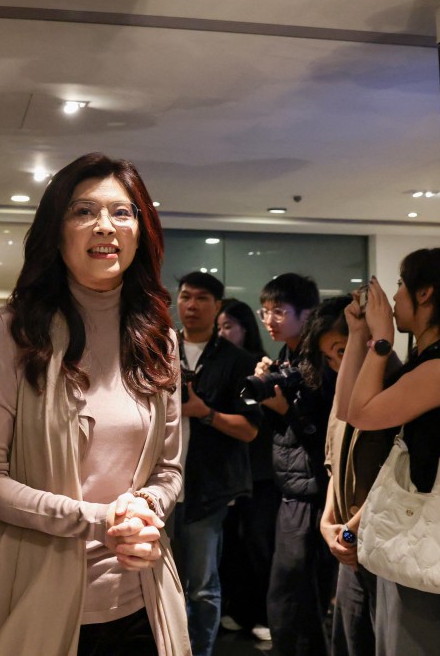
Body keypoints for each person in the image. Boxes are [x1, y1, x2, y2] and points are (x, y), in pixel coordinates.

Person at [0, 152, 190, 656]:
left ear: (140, 230)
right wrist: (95, 517)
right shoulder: (12, 332)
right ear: (56, 231)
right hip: (37, 597)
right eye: (83, 211)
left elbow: (170, 470)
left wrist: (145, 510)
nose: (105, 226)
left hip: (141, 600)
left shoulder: (159, 339)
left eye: (122, 212)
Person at [342, 248, 440, 656]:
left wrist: (381, 340)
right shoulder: (425, 360)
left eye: (399, 286)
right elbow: (346, 409)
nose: (392, 299)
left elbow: (360, 415)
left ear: (425, 294)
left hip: (423, 532)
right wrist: (361, 336)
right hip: (405, 527)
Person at [173, 275, 261, 656]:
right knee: (157, 580)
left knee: (203, 585)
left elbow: (249, 431)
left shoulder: (238, 361)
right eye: (185, 296)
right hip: (154, 484)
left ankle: (200, 651)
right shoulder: (156, 350)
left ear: (218, 306)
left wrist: (203, 412)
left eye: (202, 298)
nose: (191, 305)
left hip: (207, 489)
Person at [305, 295, 396, 656]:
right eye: (330, 357)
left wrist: (349, 528)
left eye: (342, 350)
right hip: (349, 543)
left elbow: (393, 475)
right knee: (347, 639)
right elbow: (334, 465)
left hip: (380, 540)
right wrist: (329, 523)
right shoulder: (345, 394)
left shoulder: (394, 384)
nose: (336, 364)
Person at [254, 273, 336, 656]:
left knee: (299, 599)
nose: (269, 319)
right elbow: (279, 429)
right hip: (292, 491)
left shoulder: (320, 361)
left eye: (279, 311)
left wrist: (289, 410)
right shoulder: (286, 357)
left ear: (307, 315)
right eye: (265, 311)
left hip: (315, 494)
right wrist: (275, 405)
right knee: (287, 598)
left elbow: (327, 438)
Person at [214, 299, 275, 641]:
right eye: (219, 327)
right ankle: (238, 609)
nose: (223, 333)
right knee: (233, 547)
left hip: (260, 471)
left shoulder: (258, 366)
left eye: (229, 327)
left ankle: (262, 613)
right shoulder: (218, 364)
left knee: (258, 544)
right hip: (230, 472)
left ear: (244, 328)